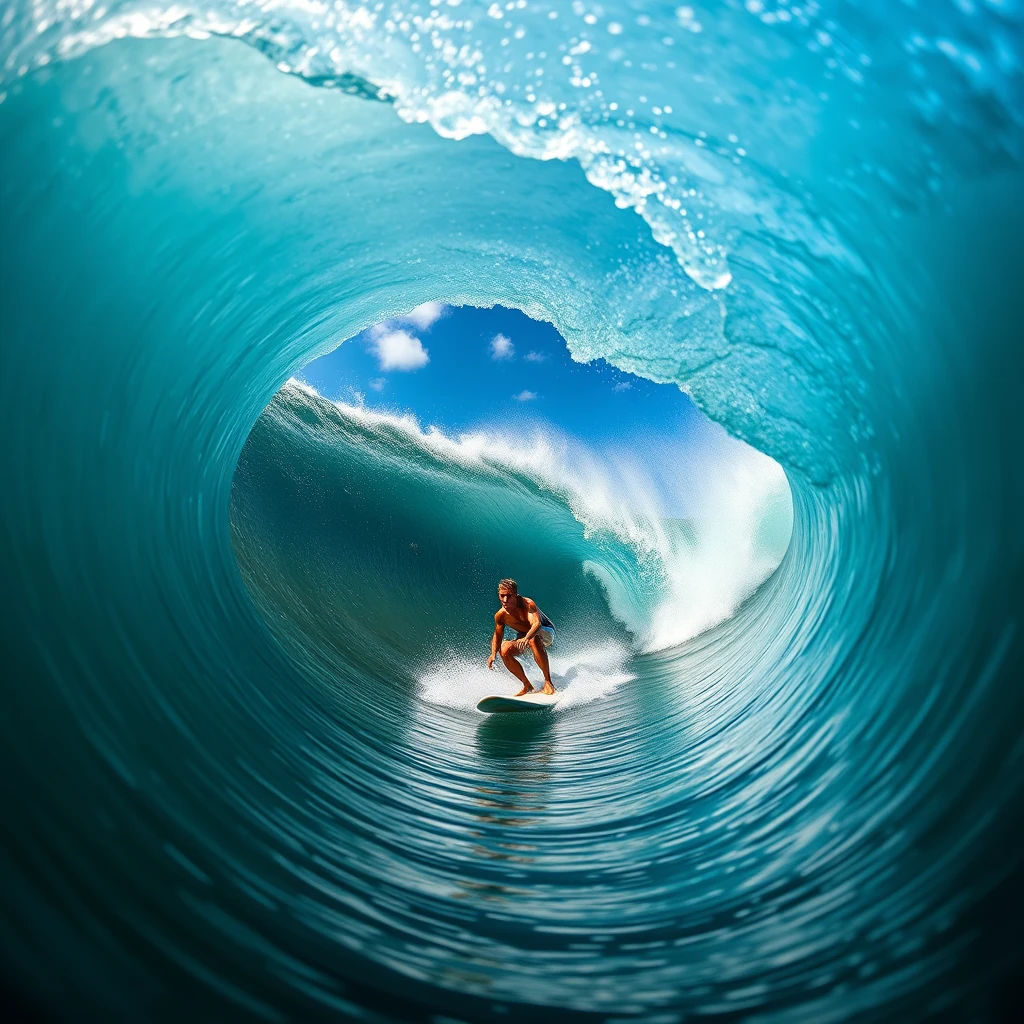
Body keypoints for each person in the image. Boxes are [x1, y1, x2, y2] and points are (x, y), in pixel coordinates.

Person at [487, 578, 556, 695]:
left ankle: (548, 682)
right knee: (504, 649)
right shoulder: (500, 615)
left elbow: (536, 624)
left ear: (516, 595)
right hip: (525, 637)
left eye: (509, 596)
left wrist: (526, 638)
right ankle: (527, 685)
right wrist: (493, 653)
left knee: (533, 638)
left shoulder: (528, 604)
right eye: (502, 596)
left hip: (546, 631)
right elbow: (497, 634)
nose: (505, 600)